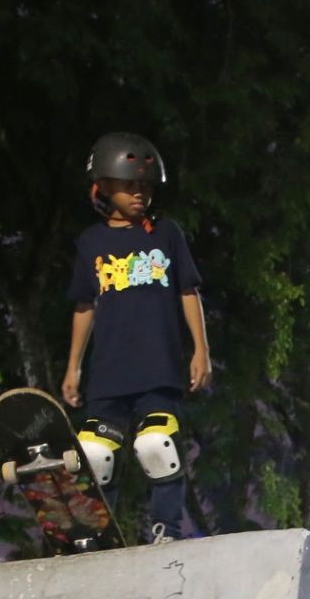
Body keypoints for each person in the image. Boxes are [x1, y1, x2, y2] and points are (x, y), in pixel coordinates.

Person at [60, 132, 211, 544]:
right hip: (108, 372)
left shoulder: (165, 233)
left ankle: (166, 530)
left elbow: (187, 290)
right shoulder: (91, 242)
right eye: (129, 186)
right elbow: (84, 306)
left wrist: (201, 350)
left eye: (145, 186)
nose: (139, 194)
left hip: (159, 366)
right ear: (103, 188)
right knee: (94, 454)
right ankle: (98, 532)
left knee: (156, 445)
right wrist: (73, 367)